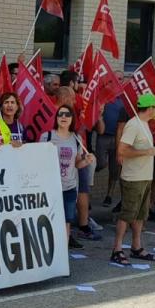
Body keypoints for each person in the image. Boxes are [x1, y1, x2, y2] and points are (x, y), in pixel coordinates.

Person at [112, 93, 155, 265]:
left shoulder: (144, 124)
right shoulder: (133, 125)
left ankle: (136, 246)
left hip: (144, 177)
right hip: (133, 178)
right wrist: (147, 152)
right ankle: (117, 249)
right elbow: (122, 151)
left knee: (140, 214)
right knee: (127, 214)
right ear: (149, 108)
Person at [42, 106, 94, 251]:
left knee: (66, 221)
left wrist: (86, 161)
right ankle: (49, 251)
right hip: (51, 187)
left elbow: (77, 163)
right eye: (60, 114)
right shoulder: (46, 136)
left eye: (67, 114)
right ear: (56, 118)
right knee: (50, 220)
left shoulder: (76, 138)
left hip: (69, 187)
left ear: (72, 118)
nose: (63, 117)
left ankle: (63, 255)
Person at [98, 96, 126, 211]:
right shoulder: (103, 98)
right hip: (103, 136)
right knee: (100, 163)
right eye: (117, 79)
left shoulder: (123, 100)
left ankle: (109, 195)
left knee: (114, 169)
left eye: (120, 79)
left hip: (117, 137)